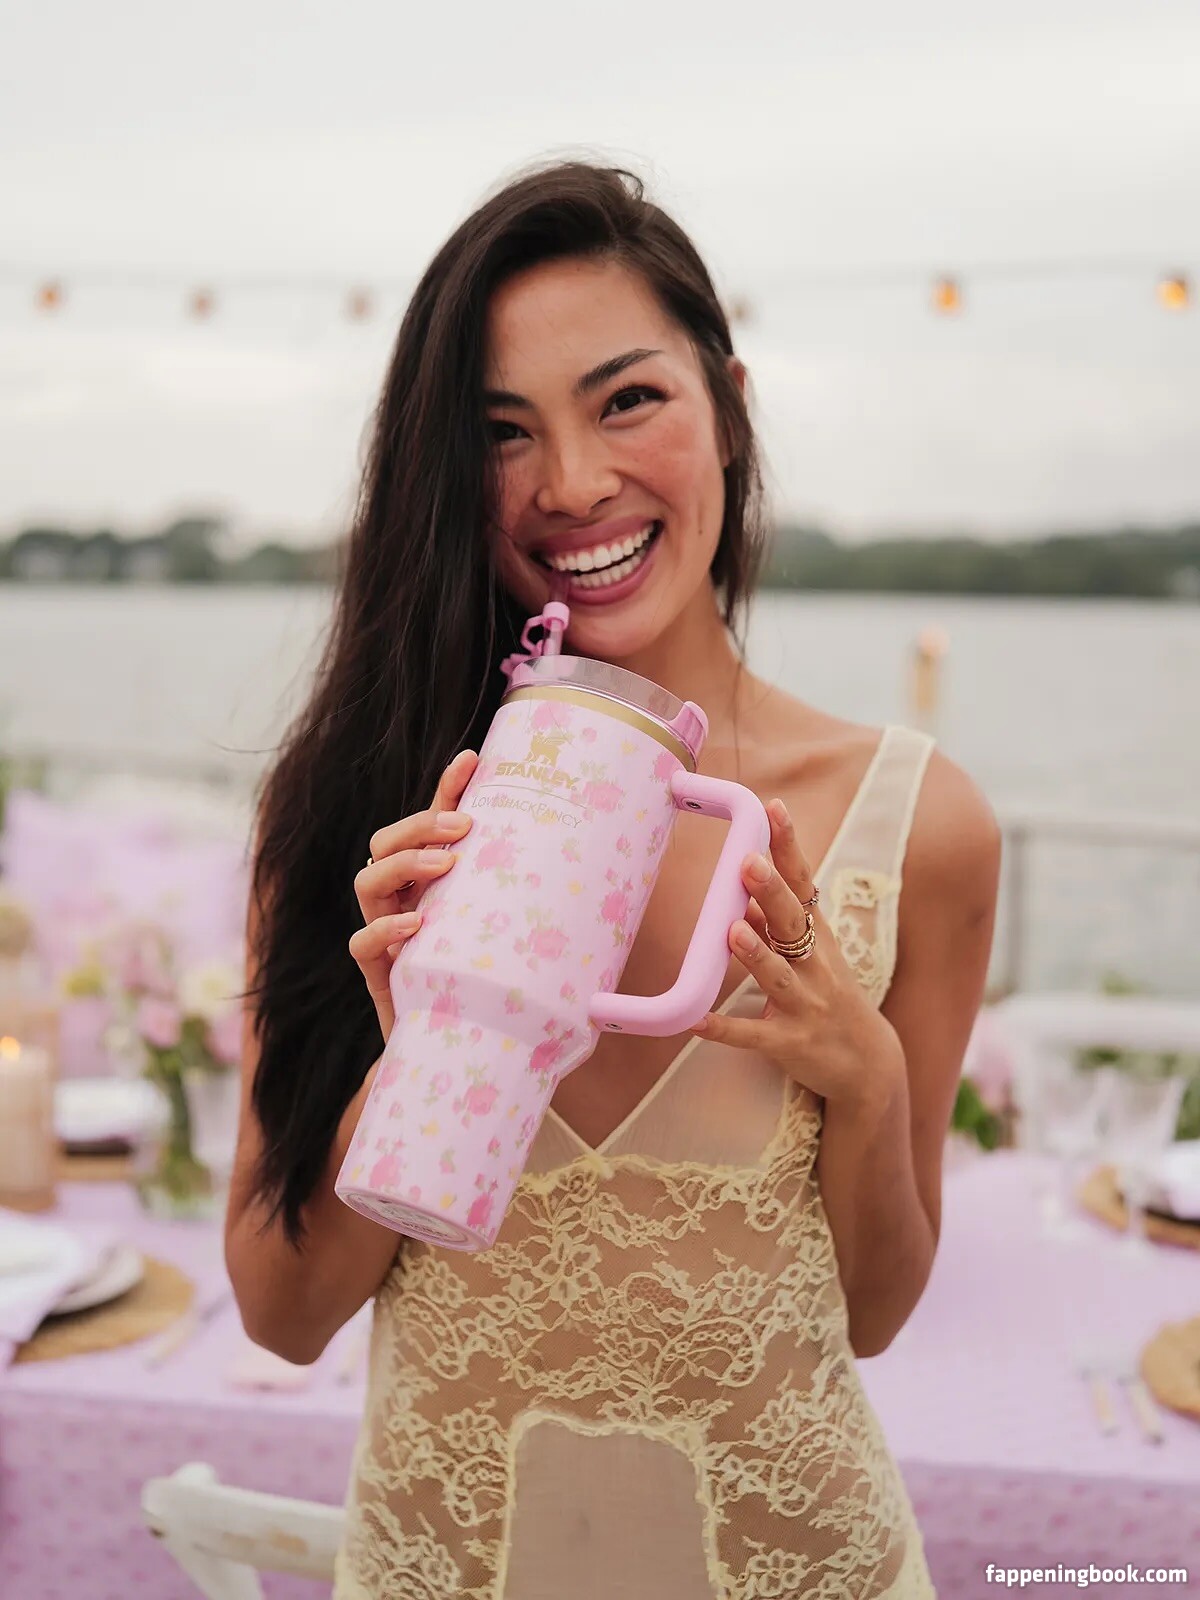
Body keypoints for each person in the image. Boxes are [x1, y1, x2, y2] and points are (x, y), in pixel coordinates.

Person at [226, 160, 1001, 1599]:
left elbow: (877, 1313)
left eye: (627, 399)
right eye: (499, 432)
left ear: (731, 409)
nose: (573, 483)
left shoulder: (919, 824)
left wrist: (869, 1078)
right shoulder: (365, 811)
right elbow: (283, 1317)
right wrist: (418, 1051)